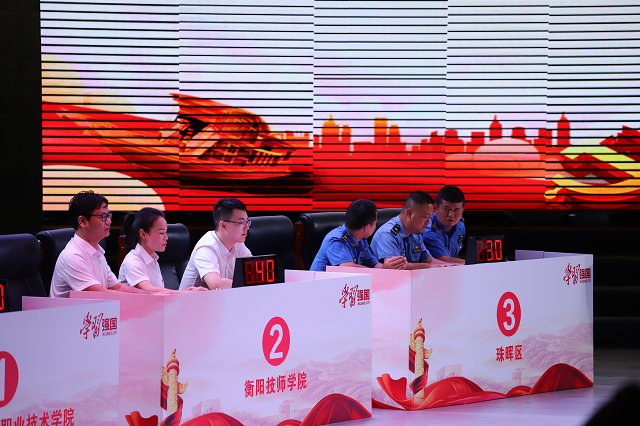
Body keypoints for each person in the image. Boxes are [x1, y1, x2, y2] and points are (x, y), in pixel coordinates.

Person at [50, 191, 154, 298]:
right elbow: (102, 294)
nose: (109, 221)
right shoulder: (73, 256)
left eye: (108, 216)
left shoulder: (97, 252)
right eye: (103, 216)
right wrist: (151, 297)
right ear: (83, 221)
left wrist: (154, 295)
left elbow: (118, 287)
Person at [119, 208, 206, 293]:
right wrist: (183, 293)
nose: (166, 237)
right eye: (161, 233)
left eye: (165, 232)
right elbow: (149, 290)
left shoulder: (153, 258)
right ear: (143, 234)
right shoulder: (132, 261)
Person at [310, 199, 406, 272]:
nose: (376, 226)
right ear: (366, 227)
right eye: (375, 223)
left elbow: (374, 265)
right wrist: (382, 270)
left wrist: (389, 266)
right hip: (320, 289)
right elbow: (347, 268)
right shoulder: (336, 239)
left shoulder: (361, 240)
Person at [179, 198, 252, 290]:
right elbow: (216, 285)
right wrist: (251, 282)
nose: (246, 227)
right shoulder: (206, 247)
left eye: (247, 222)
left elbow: (254, 273)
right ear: (223, 225)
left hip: (223, 298)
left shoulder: (238, 244)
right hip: (192, 299)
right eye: (241, 222)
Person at [371, 191, 451, 270]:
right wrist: (428, 266)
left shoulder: (415, 233)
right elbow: (395, 267)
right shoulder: (388, 234)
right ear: (409, 213)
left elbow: (429, 260)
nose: (428, 222)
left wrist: (451, 266)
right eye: (426, 217)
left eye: (430, 217)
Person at [422, 186, 466, 264]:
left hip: (454, 268)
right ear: (436, 208)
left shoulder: (460, 226)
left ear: (462, 210)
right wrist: (474, 264)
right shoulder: (428, 228)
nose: (451, 215)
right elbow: (444, 259)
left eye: (456, 210)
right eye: (447, 209)